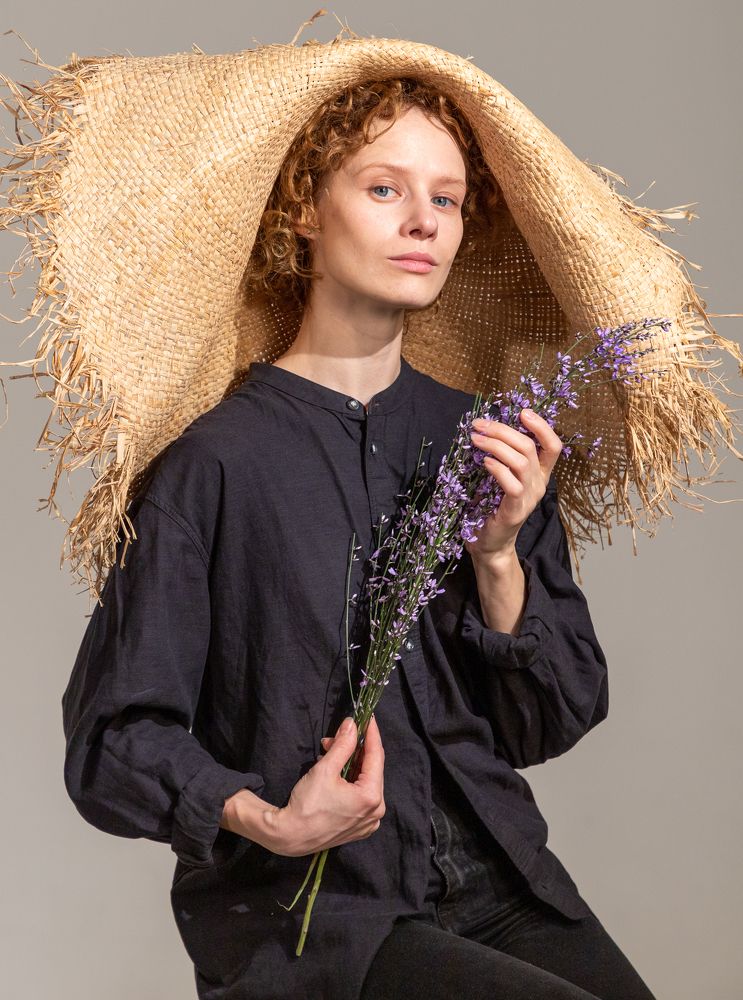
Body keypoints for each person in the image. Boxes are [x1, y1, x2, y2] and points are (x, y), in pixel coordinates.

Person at [60, 76, 657, 1000]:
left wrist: (498, 556)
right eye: (384, 188)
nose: (422, 222)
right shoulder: (214, 464)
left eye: (446, 200)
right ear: (304, 209)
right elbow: (112, 739)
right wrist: (266, 820)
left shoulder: (485, 443)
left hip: (501, 879)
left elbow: (549, 722)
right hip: (318, 914)